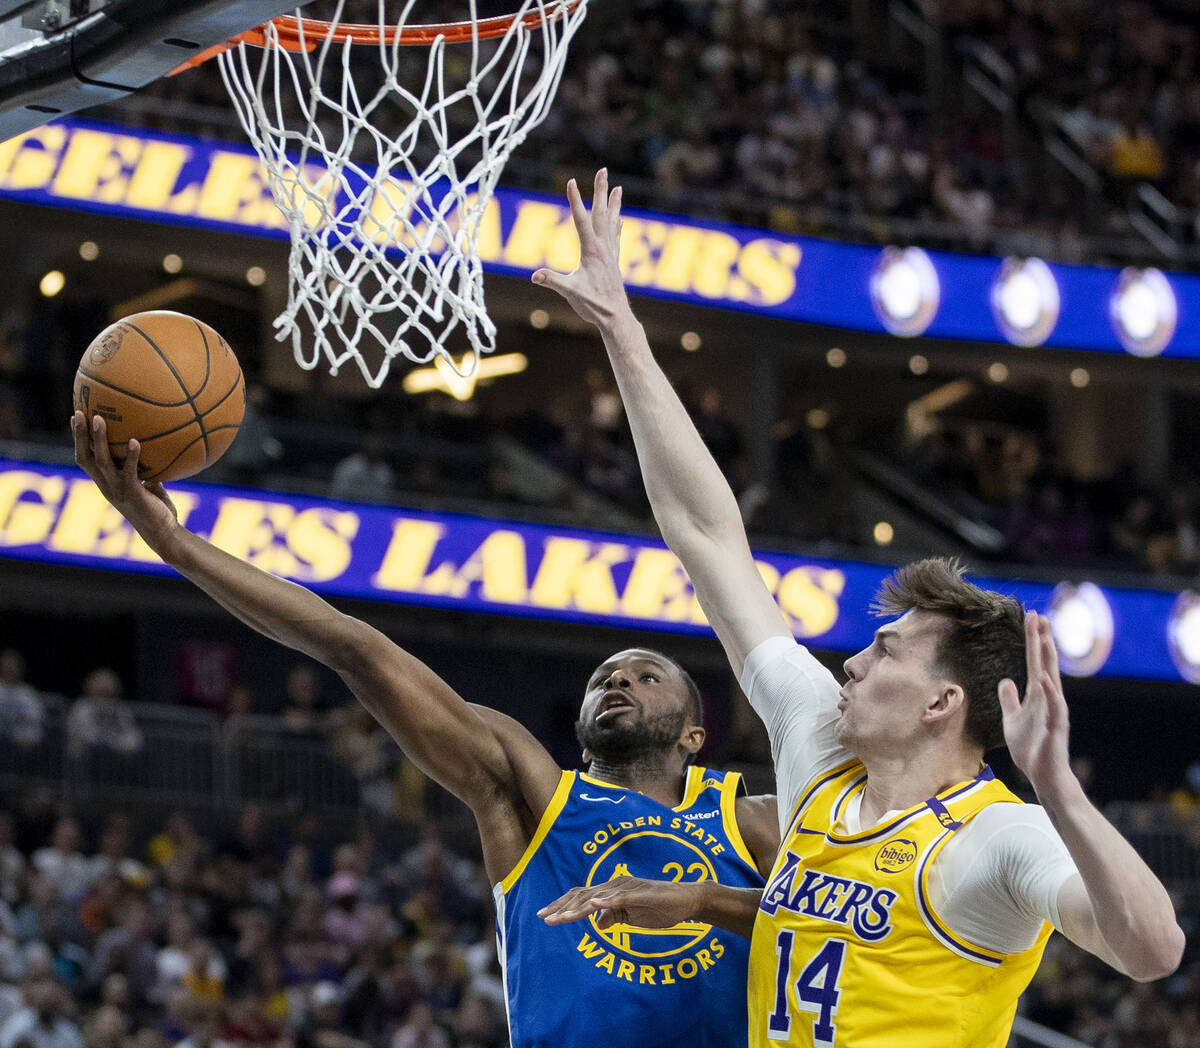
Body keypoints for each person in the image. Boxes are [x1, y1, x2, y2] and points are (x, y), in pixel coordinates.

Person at [531, 170, 1184, 1047]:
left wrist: (1059, 789)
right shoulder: (823, 751)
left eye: (884, 654)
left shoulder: (997, 839)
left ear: (941, 701)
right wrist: (623, 333)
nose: (850, 663)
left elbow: (1152, 950)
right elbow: (707, 536)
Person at [70, 409, 781, 1048]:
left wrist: (703, 901)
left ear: (694, 733)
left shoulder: (750, 819)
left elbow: (852, 925)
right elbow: (354, 648)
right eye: (605, 679)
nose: (619, 680)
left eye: (646, 675)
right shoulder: (532, 792)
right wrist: (176, 543)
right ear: (582, 724)